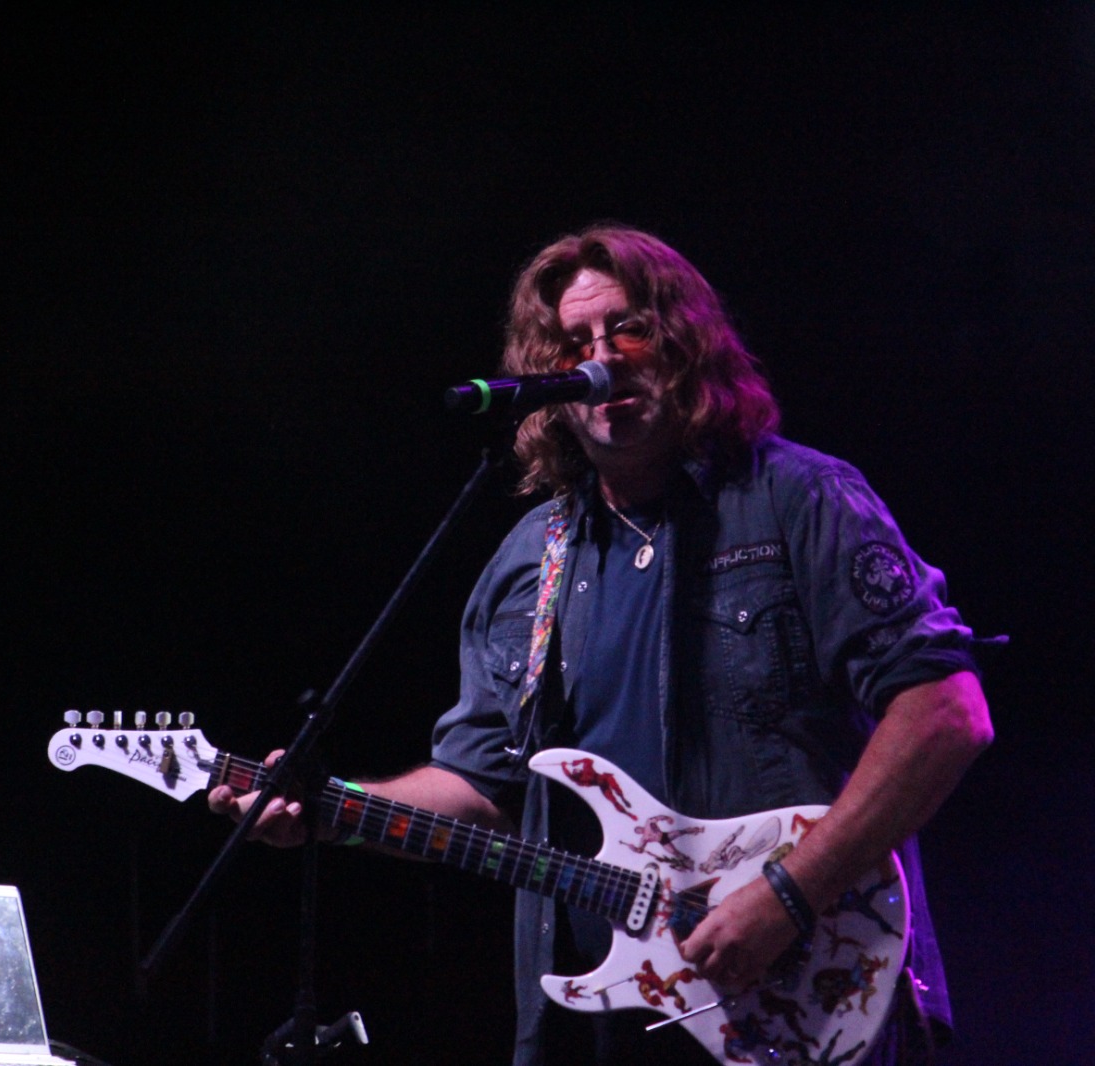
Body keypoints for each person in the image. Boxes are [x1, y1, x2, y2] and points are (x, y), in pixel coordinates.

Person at [210, 224, 994, 1065]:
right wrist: (333, 811)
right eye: (573, 344)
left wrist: (788, 894)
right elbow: (482, 786)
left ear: (686, 343)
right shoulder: (528, 563)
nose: (601, 360)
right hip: (607, 1021)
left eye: (629, 330)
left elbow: (946, 716)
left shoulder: (800, 500)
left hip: (809, 991)